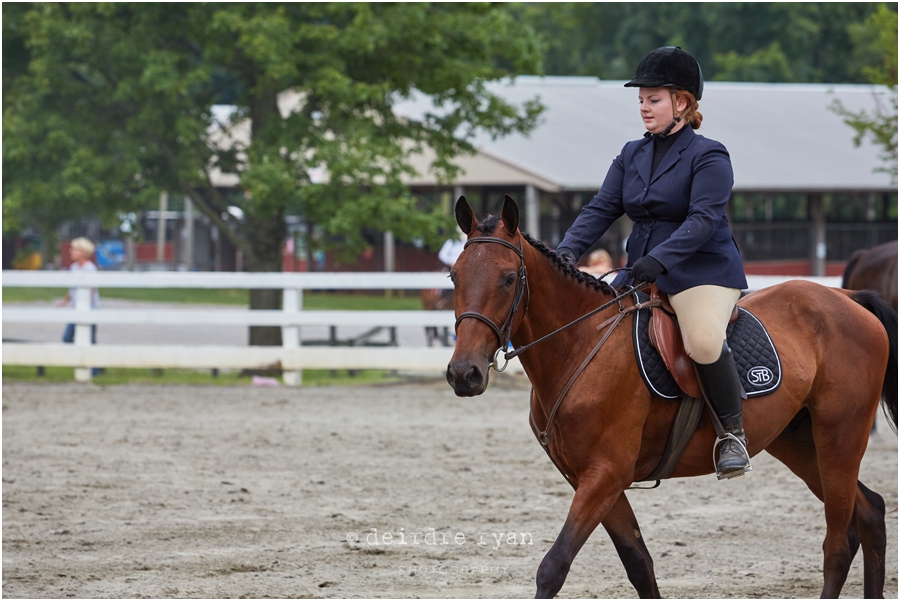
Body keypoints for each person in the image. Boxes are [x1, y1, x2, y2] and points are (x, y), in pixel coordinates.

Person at [555, 46, 750, 479]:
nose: (643, 107)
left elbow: (703, 220)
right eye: (640, 99)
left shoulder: (710, 155)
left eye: (653, 99)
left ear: (682, 102)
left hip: (702, 272)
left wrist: (659, 260)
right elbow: (601, 208)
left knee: (701, 340)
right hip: (641, 270)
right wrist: (566, 251)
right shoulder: (631, 154)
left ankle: (732, 434)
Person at [59, 237, 102, 375]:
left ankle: (94, 368)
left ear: (83, 252)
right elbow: (72, 288)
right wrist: (66, 300)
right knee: (69, 337)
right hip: (76, 308)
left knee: (90, 339)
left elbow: (92, 289)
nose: (71, 251)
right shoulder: (73, 268)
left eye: (75, 249)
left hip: (90, 309)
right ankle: (91, 363)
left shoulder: (90, 268)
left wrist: (85, 304)